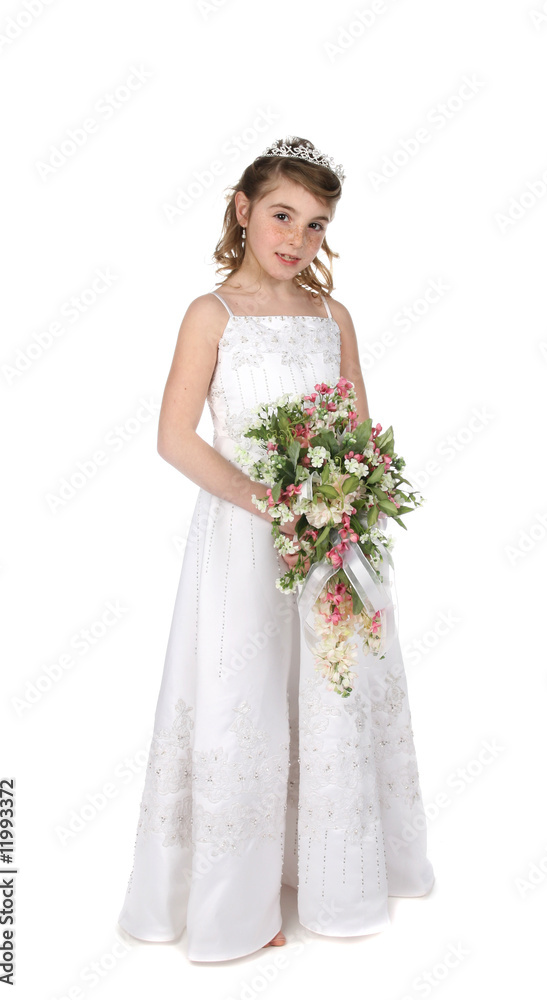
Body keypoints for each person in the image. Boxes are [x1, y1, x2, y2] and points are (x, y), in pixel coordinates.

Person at [116, 135, 435, 963]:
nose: (296, 238)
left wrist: (344, 505)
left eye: (316, 224)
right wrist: (272, 504)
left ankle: (327, 870)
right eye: (282, 216)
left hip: (328, 536)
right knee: (242, 696)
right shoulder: (212, 314)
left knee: (330, 689)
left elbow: (357, 429)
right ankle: (233, 902)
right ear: (242, 210)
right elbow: (174, 438)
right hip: (243, 536)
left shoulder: (332, 317)